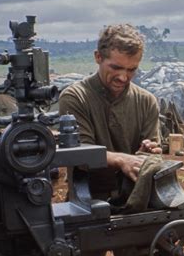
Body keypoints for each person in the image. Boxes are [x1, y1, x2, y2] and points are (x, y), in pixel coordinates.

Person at [59, 24, 162, 200]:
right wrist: (122, 160)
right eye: (116, 68)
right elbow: (79, 154)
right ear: (98, 57)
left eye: (131, 70)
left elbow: (152, 158)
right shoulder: (75, 97)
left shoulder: (146, 101)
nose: (123, 77)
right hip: (89, 202)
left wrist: (146, 153)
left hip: (135, 199)